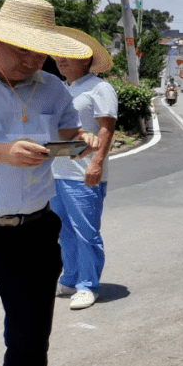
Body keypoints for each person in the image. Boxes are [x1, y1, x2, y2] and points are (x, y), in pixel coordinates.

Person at [0, 0, 98, 366]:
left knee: (29, 343)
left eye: (39, 51)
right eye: (21, 49)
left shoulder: (51, 88)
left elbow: (68, 136)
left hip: (33, 231)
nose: (31, 59)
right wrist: (0, 153)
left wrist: (77, 142)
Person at [50, 28, 118, 311]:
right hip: (58, 172)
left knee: (85, 232)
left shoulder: (99, 88)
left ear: (86, 59)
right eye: (58, 57)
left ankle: (88, 285)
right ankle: (70, 278)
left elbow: (106, 128)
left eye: (68, 57)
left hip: (83, 175)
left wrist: (97, 162)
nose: (61, 61)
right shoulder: (65, 88)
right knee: (63, 231)